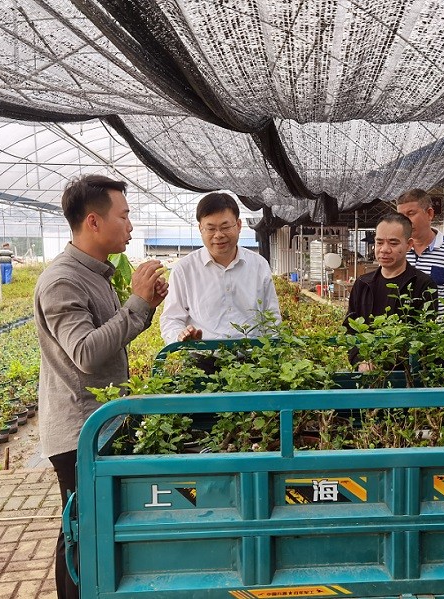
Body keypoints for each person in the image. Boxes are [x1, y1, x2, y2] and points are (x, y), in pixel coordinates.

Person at [34, 174, 168, 599]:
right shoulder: (63, 281)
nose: (130, 225)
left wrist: (145, 308)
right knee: (78, 531)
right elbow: (86, 353)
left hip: (100, 423)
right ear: (93, 222)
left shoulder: (96, 274)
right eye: (123, 216)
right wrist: (137, 304)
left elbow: (110, 340)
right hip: (79, 431)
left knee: (91, 526)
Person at [160, 191, 281, 345]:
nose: (218, 235)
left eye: (225, 227)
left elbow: (271, 316)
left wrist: (271, 351)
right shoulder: (184, 270)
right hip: (201, 354)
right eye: (210, 228)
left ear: (238, 225)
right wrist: (180, 336)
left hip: (253, 355)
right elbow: (171, 319)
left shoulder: (259, 265)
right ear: (201, 229)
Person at [345, 213, 437, 371]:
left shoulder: (422, 285)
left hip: (406, 375)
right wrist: (360, 361)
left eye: (393, 243)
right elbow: (350, 329)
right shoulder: (363, 284)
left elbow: (423, 335)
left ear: (409, 245)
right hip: (367, 373)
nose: (384, 250)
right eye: (379, 242)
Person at [396, 188, 444, 314]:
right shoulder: (396, 251)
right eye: (401, 217)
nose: (406, 221)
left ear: (429, 214)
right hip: (400, 326)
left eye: (411, 214)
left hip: (439, 327)